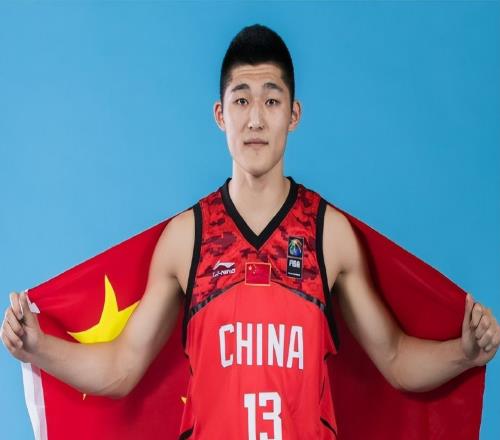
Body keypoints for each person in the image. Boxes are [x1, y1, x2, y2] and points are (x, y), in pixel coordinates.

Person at [2, 24, 499, 439]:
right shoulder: (187, 238)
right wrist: (37, 347)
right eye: (241, 100)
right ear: (221, 115)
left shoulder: (328, 234)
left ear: (293, 114)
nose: (256, 118)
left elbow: (394, 358)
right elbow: (122, 368)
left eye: (271, 100)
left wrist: (465, 353)